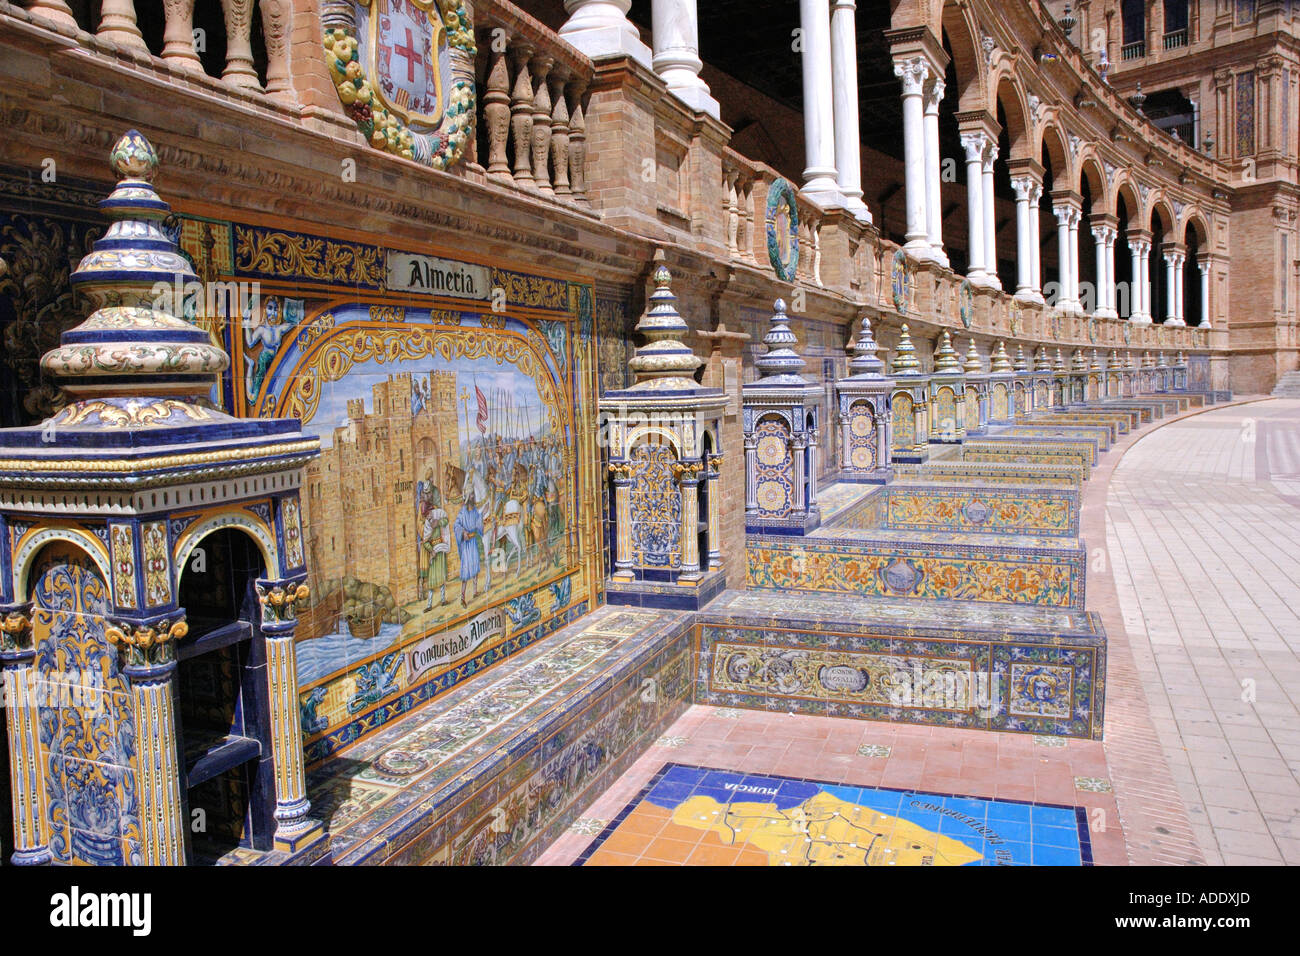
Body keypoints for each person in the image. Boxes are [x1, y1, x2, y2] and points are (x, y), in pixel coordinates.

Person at [454, 489, 485, 607]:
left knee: (475, 565)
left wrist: (482, 516)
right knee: (466, 570)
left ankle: (475, 591)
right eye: (471, 495)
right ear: (467, 497)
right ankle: (462, 597)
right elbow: (456, 525)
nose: (473, 496)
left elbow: (478, 524)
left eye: (473, 494)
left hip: (473, 543)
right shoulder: (462, 512)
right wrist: (463, 533)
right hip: (466, 544)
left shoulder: (475, 511)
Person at [421, 484, 450, 609]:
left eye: (428, 514)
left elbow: (446, 521)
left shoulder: (438, 515)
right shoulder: (427, 525)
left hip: (441, 548)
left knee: (442, 577)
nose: (427, 517)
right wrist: (431, 550)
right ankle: (429, 604)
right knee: (432, 580)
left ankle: (443, 599)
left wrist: (438, 523)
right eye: (425, 516)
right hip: (434, 552)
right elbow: (425, 541)